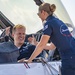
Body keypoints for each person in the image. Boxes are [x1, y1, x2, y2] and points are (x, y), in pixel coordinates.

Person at [23, 3, 75, 75]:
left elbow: (41, 46)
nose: (38, 16)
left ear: (43, 12)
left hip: (69, 58)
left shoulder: (49, 24)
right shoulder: (59, 22)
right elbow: (51, 46)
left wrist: (29, 60)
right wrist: (36, 43)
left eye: (38, 14)